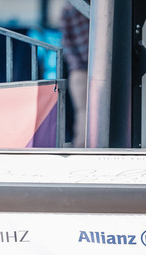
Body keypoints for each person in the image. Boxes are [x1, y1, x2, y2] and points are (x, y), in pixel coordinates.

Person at [60, 1, 90, 147]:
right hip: (89, 68)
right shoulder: (87, 10)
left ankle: (80, 148)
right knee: (87, 114)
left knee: (82, 113)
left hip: (77, 70)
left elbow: (66, 42)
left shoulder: (67, 9)